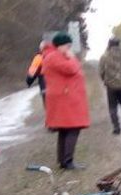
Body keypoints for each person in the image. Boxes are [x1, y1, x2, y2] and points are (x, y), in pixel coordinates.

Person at [42, 32, 90, 169]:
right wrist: (73, 59)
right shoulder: (54, 57)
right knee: (72, 129)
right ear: (60, 45)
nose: (69, 49)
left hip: (66, 98)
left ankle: (63, 160)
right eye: (67, 46)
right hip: (65, 99)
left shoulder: (56, 56)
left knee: (65, 129)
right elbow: (71, 69)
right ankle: (67, 161)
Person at [98, 36, 121, 134]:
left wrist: (105, 80)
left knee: (113, 107)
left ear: (109, 44)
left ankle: (116, 127)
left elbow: (101, 71)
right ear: (119, 44)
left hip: (111, 86)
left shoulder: (105, 56)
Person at [25, 40, 53, 105]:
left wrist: (28, 82)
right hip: (59, 88)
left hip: (45, 87)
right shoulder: (58, 56)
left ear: (41, 48)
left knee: (50, 109)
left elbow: (31, 73)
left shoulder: (38, 58)